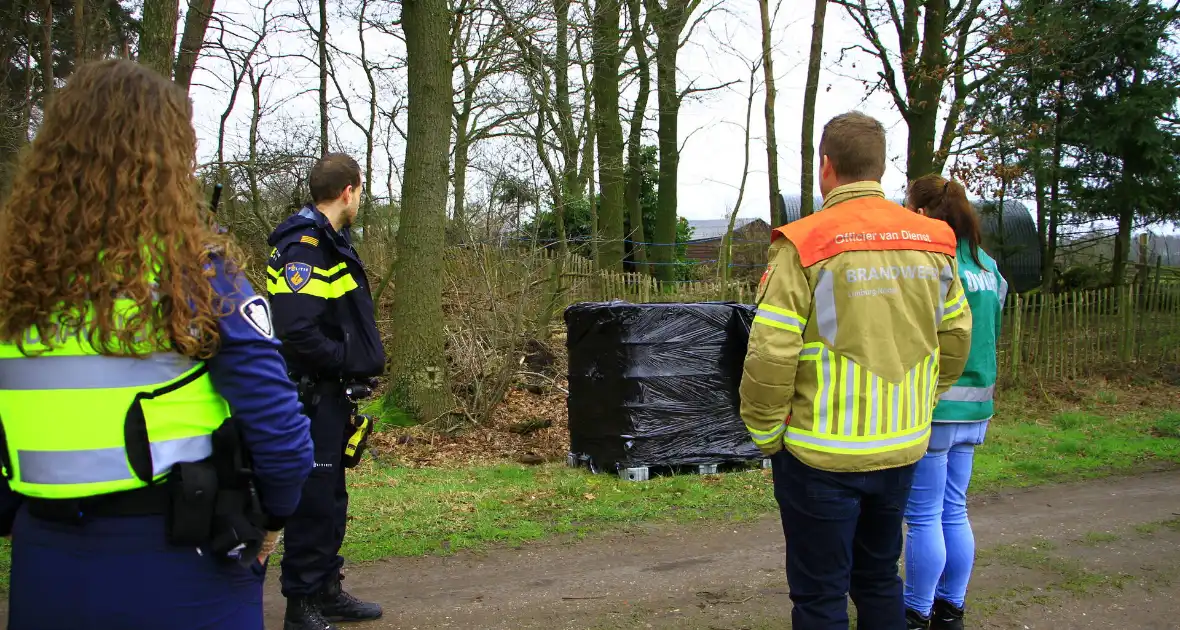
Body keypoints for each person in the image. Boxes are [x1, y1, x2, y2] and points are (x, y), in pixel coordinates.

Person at [0, 59, 314, 629]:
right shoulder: (192, 276)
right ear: (168, 162)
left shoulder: (15, 283)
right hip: (179, 563)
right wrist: (272, 517)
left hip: (44, 565)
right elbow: (280, 431)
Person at [740, 111, 974, 630]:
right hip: (901, 445)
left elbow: (770, 351)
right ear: (880, 167)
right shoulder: (934, 242)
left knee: (820, 596)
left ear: (827, 167)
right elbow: (957, 335)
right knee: (878, 579)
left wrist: (764, 432)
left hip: (819, 454)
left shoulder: (804, 244)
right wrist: (923, 399)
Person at [267, 153, 387, 630]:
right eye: (360, 191)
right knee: (314, 498)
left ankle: (326, 589)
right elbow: (297, 330)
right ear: (348, 191)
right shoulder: (305, 247)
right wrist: (344, 363)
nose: (360, 198)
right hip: (311, 393)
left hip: (331, 394)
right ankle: (302, 604)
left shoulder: (332, 241)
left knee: (330, 496)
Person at [902, 175, 1007, 630]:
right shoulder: (988, 265)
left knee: (924, 517)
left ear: (924, 214)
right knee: (955, 509)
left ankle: (915, 613)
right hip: (978, 407)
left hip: (938, 407)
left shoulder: (936, 266)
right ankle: (952, 610)